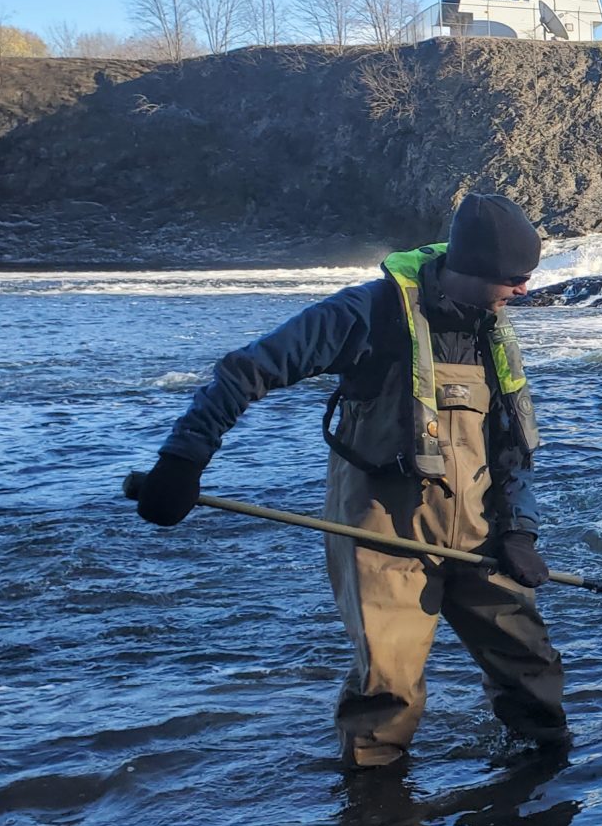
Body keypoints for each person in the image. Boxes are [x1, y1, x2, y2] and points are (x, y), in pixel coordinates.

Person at [132, 193, 568, 767]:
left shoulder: (493, 328)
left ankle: (542, 785)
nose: (524, 291)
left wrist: (520, 530)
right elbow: (246, 371)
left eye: (529, 277)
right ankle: (375, 821)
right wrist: (183, 460)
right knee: (388, 689)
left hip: (481, 531)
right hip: (382, 533)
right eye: (514, 279)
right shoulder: (368, 314)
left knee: (532, 667)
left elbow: (513, 445)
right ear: (470, 269)